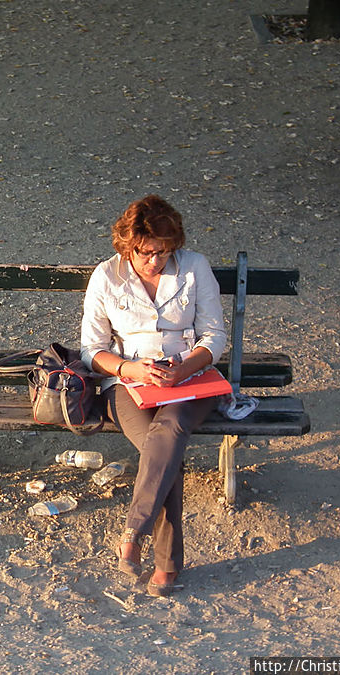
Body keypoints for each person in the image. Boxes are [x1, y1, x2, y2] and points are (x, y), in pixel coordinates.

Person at [79, 194, 226, 597]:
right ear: (128, 246)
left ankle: (134, 531)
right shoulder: (106, 276)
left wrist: (184, 367)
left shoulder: (194, 266)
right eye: (146, 252)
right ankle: (167, 564)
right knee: (163, 451)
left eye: (164, 252)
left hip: (189, 377)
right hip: (128, 381)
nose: (155, 261)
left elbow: (215, 335)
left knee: (171, 430)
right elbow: (92, 351)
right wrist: (131, 369)